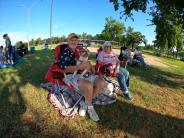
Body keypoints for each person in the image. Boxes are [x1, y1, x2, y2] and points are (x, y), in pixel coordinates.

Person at [59, 33, 107, 121]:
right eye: (71, 40)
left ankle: (85, 103)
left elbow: (81, 61)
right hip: (70, 76)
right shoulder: (65, 52)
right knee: (89, 86)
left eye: (75, 40)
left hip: (83, 73)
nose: (74, 42)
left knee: (102, 82)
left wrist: (84, 57)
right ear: (68, 41)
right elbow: (64, 70)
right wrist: (79, 66)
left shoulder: (77, 50)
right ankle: (90, 107)